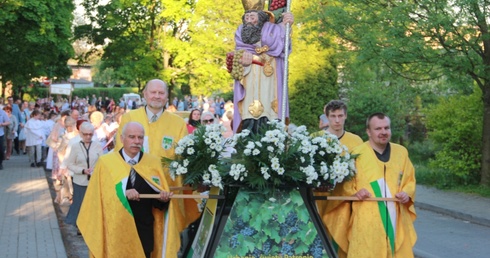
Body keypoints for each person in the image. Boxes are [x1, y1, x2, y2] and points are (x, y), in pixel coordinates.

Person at [115, 79, 199, 256]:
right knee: (138, 243)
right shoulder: (130, 118)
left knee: (165, 242)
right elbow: (119, 154)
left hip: (166, 194)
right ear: (145, 94)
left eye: (161, 93)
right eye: (153, 92)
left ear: (167, 97)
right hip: (137, 194)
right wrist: (126, 187)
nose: (157, 96)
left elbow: (184, 159)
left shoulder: (177, 124)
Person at [78, 122, 174, 257]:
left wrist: (162, 199)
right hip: (116, 231)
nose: (136, 141)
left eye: (140, 137)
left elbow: (157, 200)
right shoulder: (106, 163)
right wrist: (123, 194)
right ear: (122, 139)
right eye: (132, 137)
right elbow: (97, 198)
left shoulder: (153, 162)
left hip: (143, 231)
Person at [344, 113, 417, 257]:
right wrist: (355, 193)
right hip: (367, 221)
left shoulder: (401, 152)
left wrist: (406, 193)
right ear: (368, 132)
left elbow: (410, 180)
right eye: (378, 129)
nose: (383, 132)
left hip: (395, 217)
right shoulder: (357, 154)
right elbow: (346, 185)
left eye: (386, 128)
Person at [311, 100, 363, 258]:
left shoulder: (356, 141)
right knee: (320, 237)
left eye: (340, 115)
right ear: (327, 117)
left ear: (346, 116)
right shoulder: (315, 139)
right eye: (333, 116)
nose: (337, 120)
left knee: (342, 238)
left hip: (344, 200)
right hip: (320, 199)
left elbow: (361, 171)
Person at [232, 8, 294, 133]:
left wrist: (288, 24)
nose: (249, 20)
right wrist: (242, 58)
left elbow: (283, 41)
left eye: (252, 17)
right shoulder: (240, 34)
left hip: (271, 81)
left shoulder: (273, 30)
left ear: (261, 19)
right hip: (250, 82)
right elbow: (236, 60)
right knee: (249, 114)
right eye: (247, 17)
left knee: (271, 112)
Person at [64, 122, 103, 231]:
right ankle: (80, 226)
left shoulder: (97, 145)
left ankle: (91, 226)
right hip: (79, 181)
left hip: (94, 181)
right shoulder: (75, 146)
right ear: (81, 134)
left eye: (90, 134)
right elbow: (70, 164)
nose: (88, 137)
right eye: (85, 134)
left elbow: (102, 161)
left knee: (93, 205)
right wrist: (82, 170)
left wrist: (95, 170)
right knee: (79, 204)